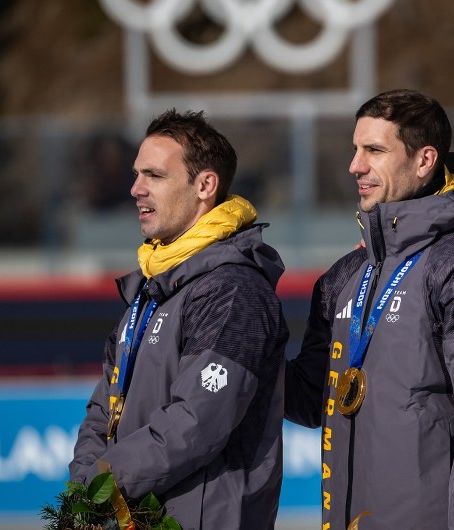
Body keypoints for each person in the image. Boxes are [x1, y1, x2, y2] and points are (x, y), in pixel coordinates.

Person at [284, 89, 454, 530]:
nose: (355, 165)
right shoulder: (346, 274)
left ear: (424, 160)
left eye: (374, 150)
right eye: (355, 149)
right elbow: (308, 401)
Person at [70, 109, 289, 529]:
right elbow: (103, 408)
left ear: (205, 185)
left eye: (154, 176)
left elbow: (197, 422)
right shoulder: (152, 288)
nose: (135, 189)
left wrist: (101, 487)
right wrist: (85, 487)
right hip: (133, 513)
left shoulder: (234, 290)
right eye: (136, 175)